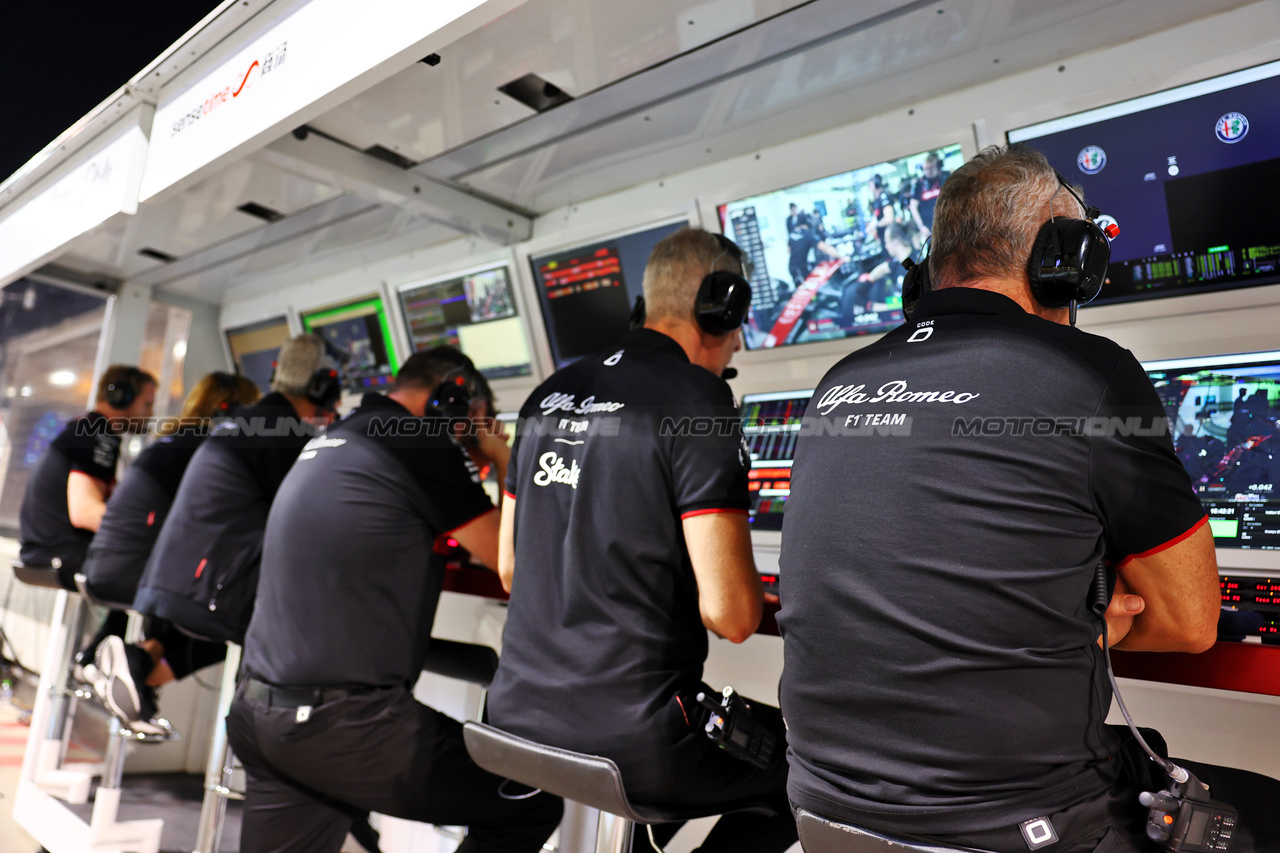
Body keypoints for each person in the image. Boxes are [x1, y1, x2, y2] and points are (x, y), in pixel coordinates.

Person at [779, 144, 1280, 853]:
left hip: (826, 813)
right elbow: (1192, 621)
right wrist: (1076, 618)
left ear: (926, 271)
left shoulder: (841, 381)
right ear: (1065, 261)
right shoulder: (1089, 371)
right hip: (1020, 826)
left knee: (1146, 748)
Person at [488, 228, 797, 853]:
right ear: (722, 306)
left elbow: (509, 570)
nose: (736, 343)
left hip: (513, 720)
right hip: (637, 742)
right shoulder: (698, 399)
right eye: (738, 325)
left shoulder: (546, 397)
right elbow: (733, 617)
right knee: (809, 771)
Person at [226, 347, 562, 853]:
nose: (468, 438)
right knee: (529, 801)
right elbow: (519, 559)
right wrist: (501, 457)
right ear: (453, 398)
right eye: (473, 423)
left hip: (259, 712)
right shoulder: (419, 441)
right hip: (342, 727)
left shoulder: (340, 435)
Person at [129, 334, 338, 675]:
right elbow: (315, 516)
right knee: (310, 623)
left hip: (174, 584)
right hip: (208, 592)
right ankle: (144, 677)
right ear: (324, 390)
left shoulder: (250, 422)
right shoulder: (284, 436)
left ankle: (139, 668)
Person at [84, 371, 260, 729]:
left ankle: (118, 666)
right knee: (223, 620)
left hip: (105, 565)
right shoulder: (210, 447)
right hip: (134, 572)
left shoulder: (174, 439)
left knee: (189, 602)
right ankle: (135, 672)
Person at [18, 365, 156, 677]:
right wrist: (150, 536)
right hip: (61, 553)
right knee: (156, 574)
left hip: (45, 550)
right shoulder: (99, 434)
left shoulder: (88, 429)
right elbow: (86, 512)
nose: (150, 413)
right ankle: (112, 667)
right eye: (146, 404)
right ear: (122, 397)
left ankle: (95, 659)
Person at [909, 150, 949, 237]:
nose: (928, 171)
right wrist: (921, 226)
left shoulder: (947, 177)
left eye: (931, 168)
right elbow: (913, 207)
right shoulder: (918, 184)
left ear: (938, 166)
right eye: (925, 169)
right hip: (930, 229)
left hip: (950, 223)